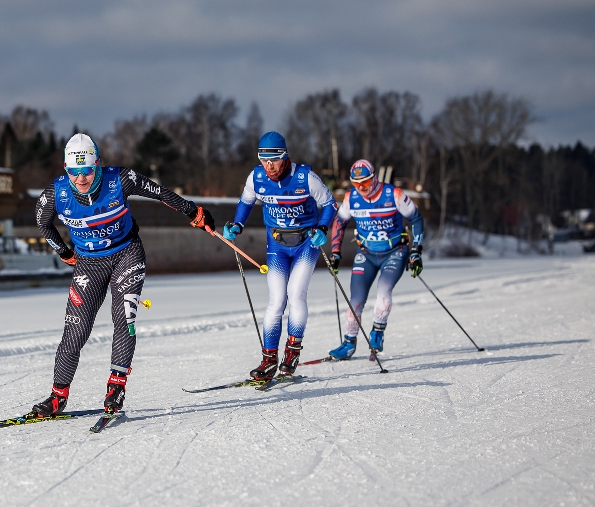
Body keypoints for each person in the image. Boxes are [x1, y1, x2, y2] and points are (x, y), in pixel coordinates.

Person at [31, 133, 214, 417]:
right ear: (65, 169)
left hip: (126, 254)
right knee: (75, 332)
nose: (81, 178)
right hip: (89, 264)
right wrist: (63, 252)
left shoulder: (120, 179)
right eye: (74, 172)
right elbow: (42, 223)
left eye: (88, 170)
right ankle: (57, 396)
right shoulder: (55, 194)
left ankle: (116, 387)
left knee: (123, 317)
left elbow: (159, 192)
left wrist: (192, 211)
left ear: (98, 165)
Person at [222, 131, 336, 382]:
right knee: (276, 301)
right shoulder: (257, 177)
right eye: (264, 160)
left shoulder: (306, 177)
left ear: (285, 157)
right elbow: (246, 202)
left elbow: (329, 204)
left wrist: (323, 229)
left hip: (306, 243)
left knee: (296, 293)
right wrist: (237, 225)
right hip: (277, 245)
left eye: (274, 159)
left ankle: (292, 352)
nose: (269, 165)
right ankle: (268, 359)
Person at [327, 159, 424, 359]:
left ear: (374, 178)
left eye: (365, 181)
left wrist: (416, 251)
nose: (361, 187)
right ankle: (348, 344)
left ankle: (377, 333)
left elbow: (416, 218)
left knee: (383, 291)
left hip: (394, 252)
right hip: (367, 254)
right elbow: (339, 222)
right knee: (355, 301)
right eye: (356, 183)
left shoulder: (393, 194)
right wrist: (335, 252)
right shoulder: (351, 198)